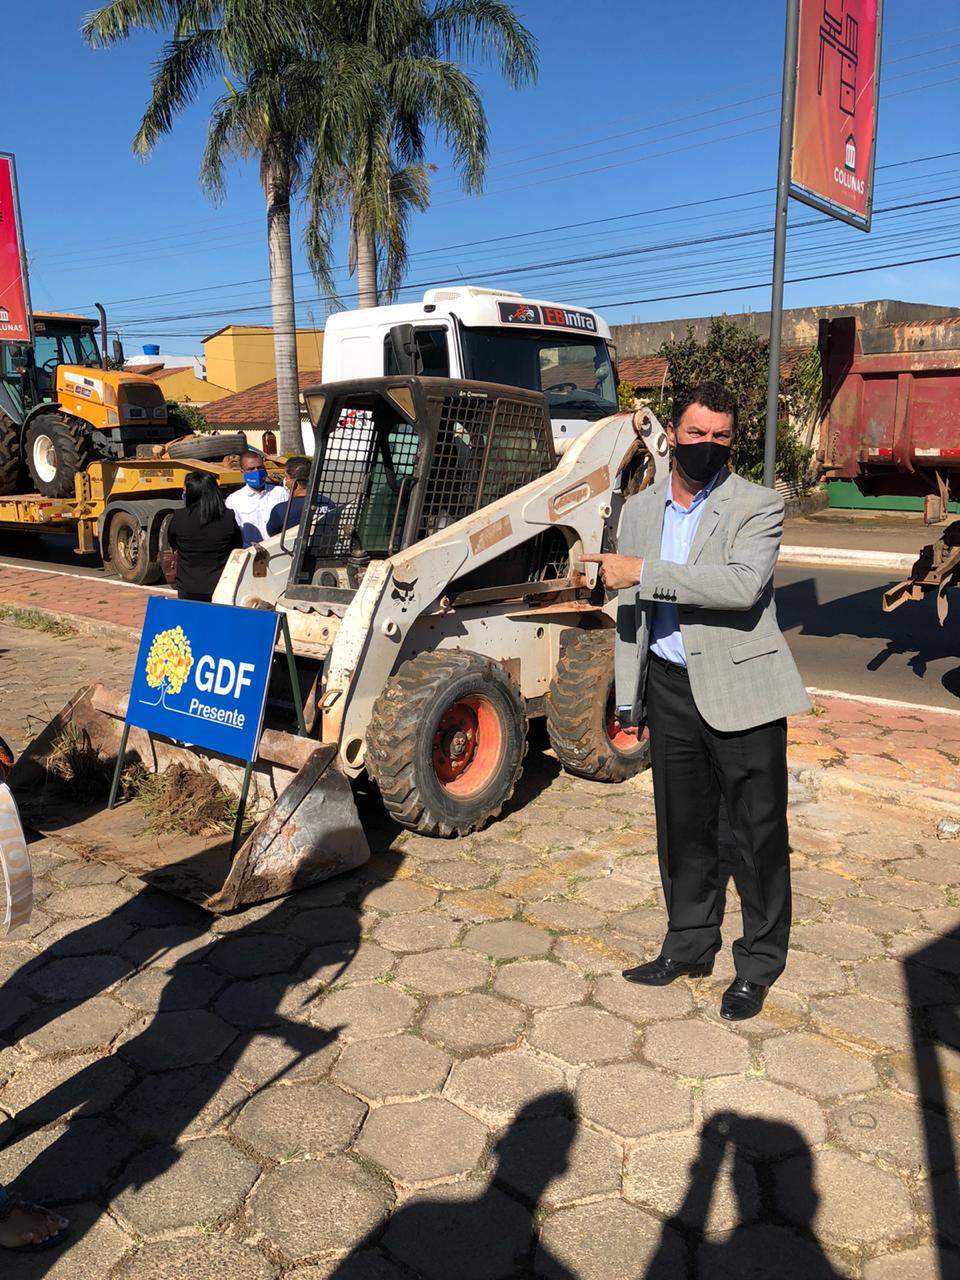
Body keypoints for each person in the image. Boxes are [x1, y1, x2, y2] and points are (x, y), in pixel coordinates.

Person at [582, 381, 809, 1021]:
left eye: (721, 437)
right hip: (670, 686)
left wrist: (642, 572)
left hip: (744, 692)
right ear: (672, 437)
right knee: (682, 828)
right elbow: (630, 613)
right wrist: (631, 697)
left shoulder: (757, 505)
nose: (708, 446)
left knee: (756, 833)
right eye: (696, 434)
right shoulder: (639, 510)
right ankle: (688, 944)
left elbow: (740, 586)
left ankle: (759, 962)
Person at [167, 471, 242, 601]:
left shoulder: (179, 517)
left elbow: (173, 543)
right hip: (221, 585)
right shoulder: (228, 517)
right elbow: (237, 544)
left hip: (188, 586)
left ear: (192, 492)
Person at [224, 449, 286, 546]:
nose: (256, 472)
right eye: (251, 469)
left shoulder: (280, 492)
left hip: (280, 549)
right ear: (242, 472)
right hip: (252, 553)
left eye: (260, 467)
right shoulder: (233, 500)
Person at [266, 456, 310, 537]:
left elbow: (272, 533)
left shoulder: (281, 510)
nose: (285, 480)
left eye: (286, 477)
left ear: (294, 483)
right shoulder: (329, 503)